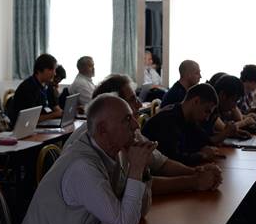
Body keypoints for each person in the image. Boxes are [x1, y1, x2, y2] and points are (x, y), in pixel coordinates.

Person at [10, 94, 156, 224]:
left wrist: (143, 171)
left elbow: (140, 212)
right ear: (103, 130)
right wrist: (137, 169)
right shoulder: (83, 168)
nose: (136, 127)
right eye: (126, 120)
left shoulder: (112, 153)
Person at [64, 74, 223, 195]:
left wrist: (196, 172)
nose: (139, 104)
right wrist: (193, 182)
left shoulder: (128, 129)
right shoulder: (98, 137)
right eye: (132, 99)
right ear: (114, 107)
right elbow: (134, 187)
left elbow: (160, 162)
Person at [143, 83, 221, 166]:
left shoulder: (188, 118)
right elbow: (172, 159)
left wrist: (205, 149)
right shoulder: (168, 120)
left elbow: (204, 140)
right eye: (206, 111)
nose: (207, 118)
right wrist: (201, 155)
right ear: (196, 101)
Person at [10, 54, 62, 125]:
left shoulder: (49, 85)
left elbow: (56, 108)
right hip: (27, 126)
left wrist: (66, 113)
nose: (54, 73)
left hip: (44, 124)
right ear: (40, 70)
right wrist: (53, 115)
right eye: (51, 70)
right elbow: (29, 119)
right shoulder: (28, 88)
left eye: (54, 70)